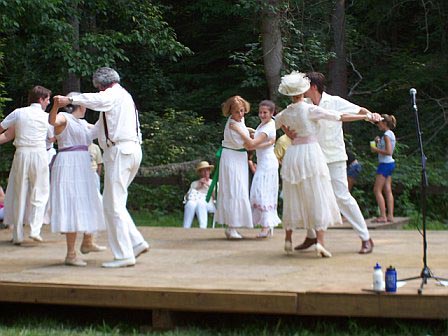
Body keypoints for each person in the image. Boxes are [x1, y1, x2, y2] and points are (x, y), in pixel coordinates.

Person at [56, 67, 149, 268]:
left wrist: (71, 100)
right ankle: (136, 242)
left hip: (120, 152)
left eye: (97, 87)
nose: (97, 91)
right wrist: (75, 131)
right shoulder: (123, 97)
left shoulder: (112, 94)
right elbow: (98, 130)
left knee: (112, 205)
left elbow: (98, 101)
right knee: (115, 201)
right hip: (130, 151)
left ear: (101, 85)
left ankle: (124, 254)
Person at [275, 72, 373, 257]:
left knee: (342, 197)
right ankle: (312, 236)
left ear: (313, 87)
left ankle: (365, 237)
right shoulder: (302, 106)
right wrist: (288, 132)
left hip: (334, 156)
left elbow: (356, 110)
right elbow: (282, 120)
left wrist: (369, 115)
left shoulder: (333, 101)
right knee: (309, 196)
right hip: (312, 157)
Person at [50, 93, 107, 266]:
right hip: (68, 163)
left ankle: (88, 240)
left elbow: (99, 129)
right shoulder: (64, 117)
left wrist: (106, 110)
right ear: (80, 105)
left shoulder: (83, 124)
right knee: (72, 206)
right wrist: (55, 106)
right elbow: (52, 122)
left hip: (83, 164)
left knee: (93, 201)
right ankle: (71, 254)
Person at [0, 86, 53, 244]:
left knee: (19, 193)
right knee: (41, 191)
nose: (49, 102)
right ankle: (35, 230)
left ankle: (17, 235)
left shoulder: (18, 112)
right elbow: (51, 138)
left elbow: (2, 128)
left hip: (21, 153)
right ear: (41, 99)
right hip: (39, 153)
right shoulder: (47, 117)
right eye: (47, 99)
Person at [230, 100, 281, 237]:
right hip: (264, 162)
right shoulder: (264, 125)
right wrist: (250, 132)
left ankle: (266, 226)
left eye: (265, 113)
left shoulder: (268, 127)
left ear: (271, 113)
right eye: (260, 112)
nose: (262, 115)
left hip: (268, 164)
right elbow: (259, 137)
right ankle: (266, 225)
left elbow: (251, 144)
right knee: (259, 192)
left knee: (262, 193)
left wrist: (238, 130)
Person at [212, 95, 253, 239]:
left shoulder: (239, 121)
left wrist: (250, 131)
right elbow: (248, 144)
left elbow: (244, 131)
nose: (240, 114)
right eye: (237, 112)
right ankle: (232, 226)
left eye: (242, 111)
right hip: (232, 158)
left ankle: (233, 226)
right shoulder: (232, 125)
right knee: (234, 189)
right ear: (230, 112)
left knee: (239, 188)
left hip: (239, 158)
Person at [371, 114, 397, 223]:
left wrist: (375, 150)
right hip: (389, 163)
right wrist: (377, 142)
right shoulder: (389, 134)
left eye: (379, 123)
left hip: (385, 164)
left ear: (385, 123)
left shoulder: (387, 135)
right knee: (387, 189)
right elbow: (386, 148)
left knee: (377, 190)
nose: (378, 125)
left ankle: (383, 216)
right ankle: (390, 215)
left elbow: (389, 152)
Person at [183, 161, 215, 229]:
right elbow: (187, 197)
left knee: (201, 203)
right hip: (195, 200)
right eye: (203, 171)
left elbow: (217, 197)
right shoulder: (194, 183)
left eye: (207, 170)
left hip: (210, 203)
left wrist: (208, 185)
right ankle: (186, 227)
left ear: (209, 171)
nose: (205, 172)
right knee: (190, 204)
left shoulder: (213, 183)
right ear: (200, 173)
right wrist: (198, 187)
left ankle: (202, 228)